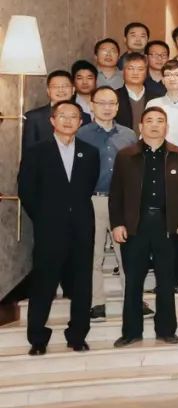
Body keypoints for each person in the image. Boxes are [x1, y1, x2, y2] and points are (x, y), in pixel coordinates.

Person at [109, 107, 178, 347]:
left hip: (167, 225)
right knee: (133, 280)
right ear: (141, 126)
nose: (155, 125)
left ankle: (166, 330)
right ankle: (131, 331)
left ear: (166, 127)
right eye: (149, 121)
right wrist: (117, 223)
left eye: (160, 121)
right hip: (135, 225)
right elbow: (116, 194)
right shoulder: (126, 156)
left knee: (166, 280)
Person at [19, 101, 99, 355]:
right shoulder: (36, 152)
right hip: (49, 228)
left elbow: (87, 187)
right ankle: (37, 338)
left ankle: (77, 335)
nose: (68, 120)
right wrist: (45, 218)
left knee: (82, 283)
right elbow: (26, 191)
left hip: (82, 227)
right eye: (62, 115)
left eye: (73, 116)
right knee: (44, 283)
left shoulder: (89, 152)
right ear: (52, 120)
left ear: (81, 122)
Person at [77, 86, 141, 322]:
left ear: (117, 106)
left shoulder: (129, 135)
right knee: (93, 255)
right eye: (101, 103)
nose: (107, 107)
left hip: (122, 202)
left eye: (111, 103)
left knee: (128, 254)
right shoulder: (81, 134)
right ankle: (96, 303)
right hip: (91, 200)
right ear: (92, 105)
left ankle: (133, 300)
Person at [22, 70, 89, 152]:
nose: (61, 90)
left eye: (65, 86)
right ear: (48, 91)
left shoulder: (85, 117)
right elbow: (28, 151)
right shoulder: (33, 117)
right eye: (55, 86)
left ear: (73, 90)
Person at [115, 53, 163, 130]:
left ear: (146, 72)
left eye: (140, 69)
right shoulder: (114, 96)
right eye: (130, 68)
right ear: (123, 71)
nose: (135, 73)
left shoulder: (156, 98)